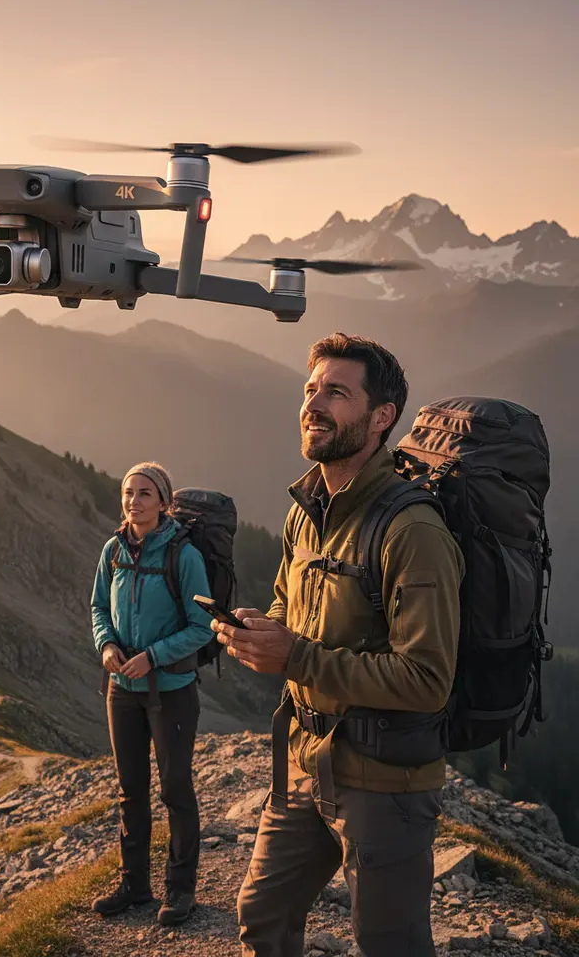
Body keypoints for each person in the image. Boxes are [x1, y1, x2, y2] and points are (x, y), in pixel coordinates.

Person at [213, 333, 464, 957]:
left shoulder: (412, 530)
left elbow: (427, 680)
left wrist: (294, 658)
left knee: (388, 944)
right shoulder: (306, 509)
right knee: (263, 916)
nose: (314, 404)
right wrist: (263, 630)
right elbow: (287, 603)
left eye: (336, 393)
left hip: (386, 780)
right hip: (306, 760)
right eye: (310, 389)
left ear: (381, 418)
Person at [90, 461, 215, 926]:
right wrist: (106, 645)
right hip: (122, 689)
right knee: (131, 791)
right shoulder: (113, 550)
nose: (133, 501)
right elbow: (98, 607)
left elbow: (203, 625)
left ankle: (181, 890)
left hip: (171, 691)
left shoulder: (184, 556)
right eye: (128, 492)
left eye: (144, 493)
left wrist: (153, 656)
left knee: (176, 790)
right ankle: (134, 885)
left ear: (164, 502)